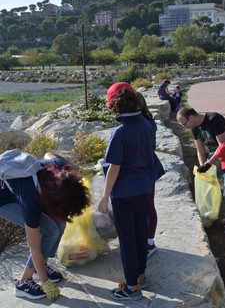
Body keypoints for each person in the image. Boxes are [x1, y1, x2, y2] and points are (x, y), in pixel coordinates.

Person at [0, 152, 91, 301]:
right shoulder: (31, 203)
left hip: (23, 189)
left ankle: (40, 267)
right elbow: (34, 249)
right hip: (4, 201)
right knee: (50, 231)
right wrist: (45, 282)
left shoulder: (57, 166)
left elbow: (49, 154)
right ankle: (23, 283)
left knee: (60, 224)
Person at [100, 82, 155, 301]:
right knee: (141, 232)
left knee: (127, 240)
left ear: (115, 106)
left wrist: (104, 198)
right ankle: (140, 274)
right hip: (144, 189)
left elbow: (114, 167)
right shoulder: (147, 125)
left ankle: (131, 286)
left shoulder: (120, 133)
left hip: (124, 193)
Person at [176, 107, 225, 235]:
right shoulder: (194, 127)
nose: (184, 127)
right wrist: (203, 167)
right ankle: (209, 213)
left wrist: (208, 165)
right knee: (205, 184)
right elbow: (200, 150)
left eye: (184, 124)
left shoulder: (214, 119)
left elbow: (223, 146)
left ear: (191, 117)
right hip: (214, 159)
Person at [136, 92, 165, 257]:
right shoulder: (147, 122)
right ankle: (146, 240)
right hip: (145, 169)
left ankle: (149, 242)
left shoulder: (145, 124)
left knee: (147, 205)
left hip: (145, 170)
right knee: (145, 205)